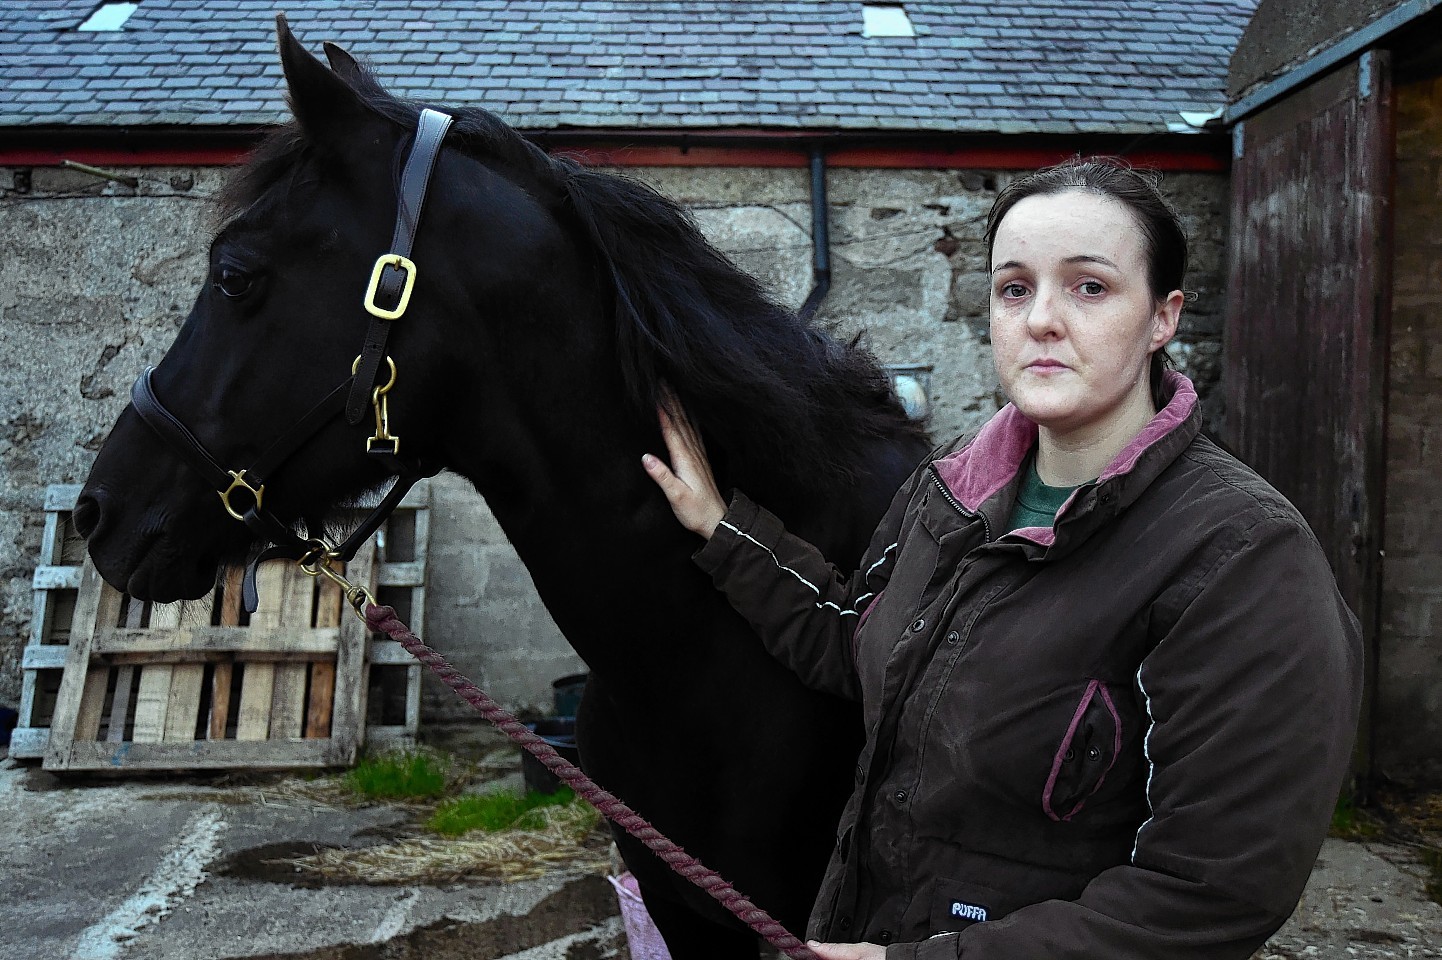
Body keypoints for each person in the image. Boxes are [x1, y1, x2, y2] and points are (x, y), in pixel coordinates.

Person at [641, 157, 1363, 960]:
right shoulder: (947, 492)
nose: (1042, 320)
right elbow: (860, 644)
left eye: (1090, 287)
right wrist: (722, 528)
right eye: (1014, 288)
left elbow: (1207, 896)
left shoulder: (1242, 556)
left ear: (1163, 317)